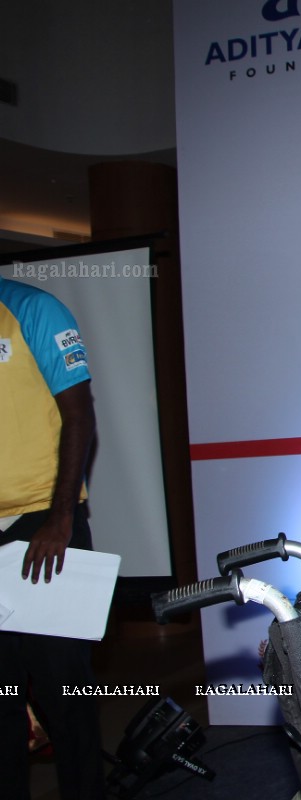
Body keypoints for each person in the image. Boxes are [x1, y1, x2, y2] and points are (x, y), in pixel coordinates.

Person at [0, 275, 105, 799]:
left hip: (44, 523)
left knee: (65, 689)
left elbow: (79, 413)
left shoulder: (33, 309)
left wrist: (60, 514)